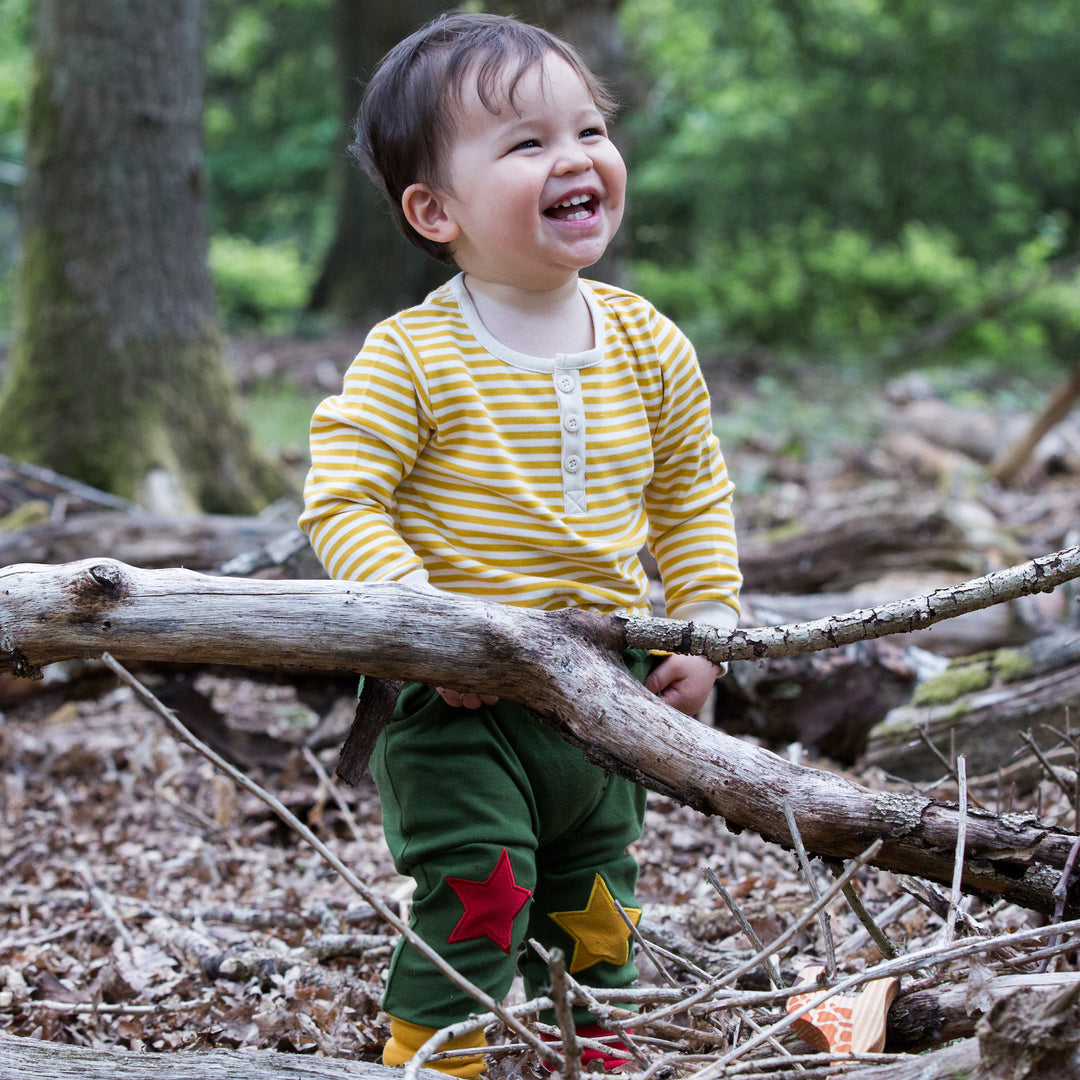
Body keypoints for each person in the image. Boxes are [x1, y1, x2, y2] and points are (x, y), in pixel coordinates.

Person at [299, 11, 741, 1075]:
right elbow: (343, 499)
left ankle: (598, 1052)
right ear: (434, 208)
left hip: (606, 683)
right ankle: (436, 1056)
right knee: (477, 890)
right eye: (527, 143)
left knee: (597, 897)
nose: (577, 157)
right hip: (459, 700)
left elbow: (690, 492)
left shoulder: (648, 342)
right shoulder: (413, 354)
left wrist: (707, 621)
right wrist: (425, 625)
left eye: (589, 129)